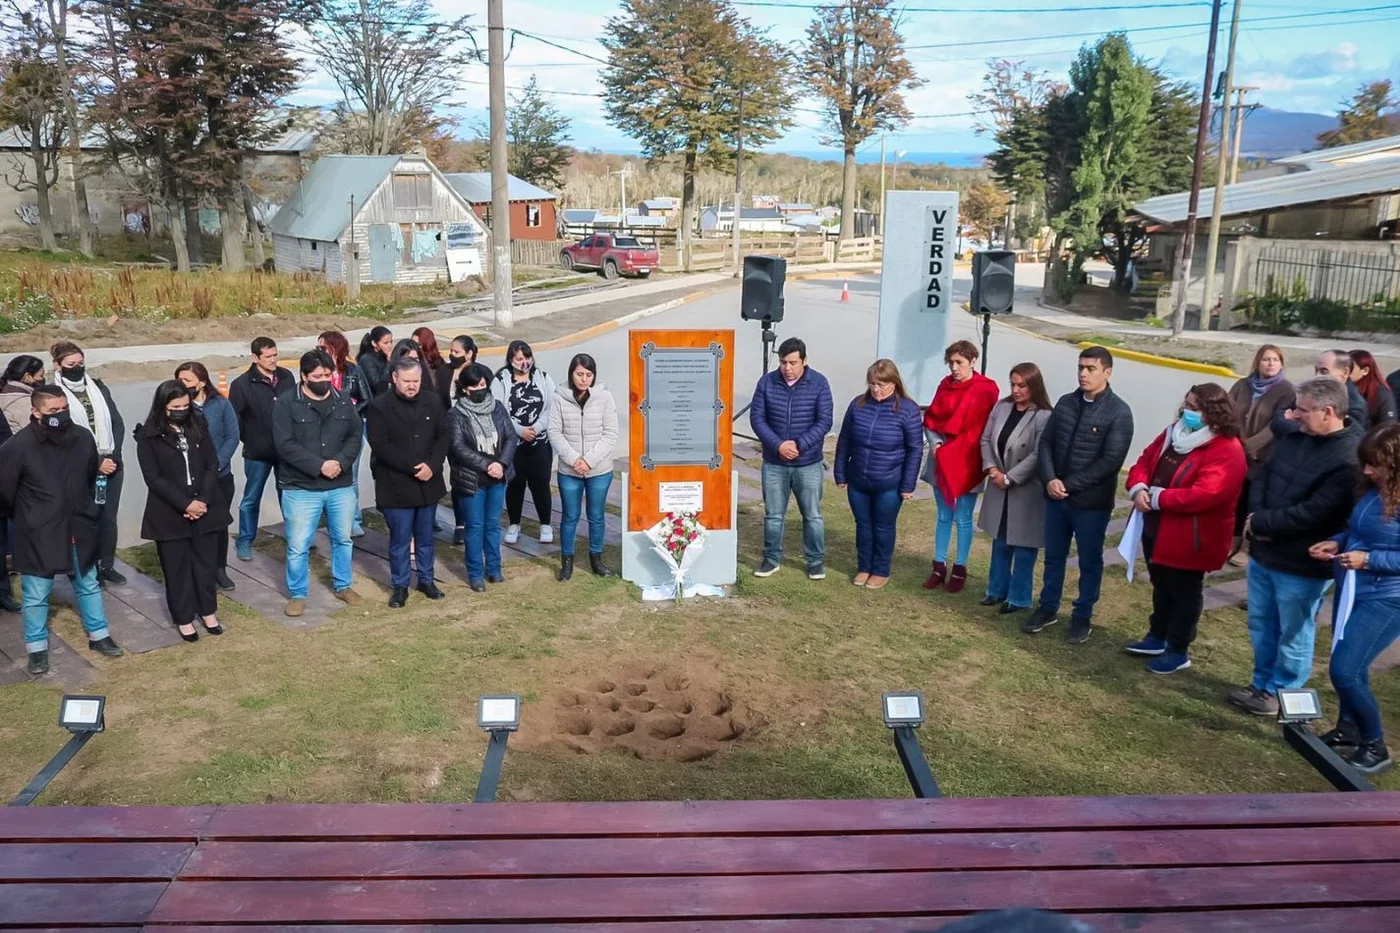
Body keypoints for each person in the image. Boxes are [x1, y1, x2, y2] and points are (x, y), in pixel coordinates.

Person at [1231, 377, 1360, 716]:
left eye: (1302, 410)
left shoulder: (1349, 457)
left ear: (1328, 411)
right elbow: (1263, 477)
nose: (1293, 415)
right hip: (1265, 552)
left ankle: (1283, 692)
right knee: (1262, 623)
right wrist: (1256, 517)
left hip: (1302, 563)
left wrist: (1262, 524)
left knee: (1294, 632)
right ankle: (1260, 685)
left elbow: (1318, 512)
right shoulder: (1294, 435)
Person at [0, 385, 124, 674]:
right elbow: (5, 492)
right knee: (36, 594)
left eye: (63, 408)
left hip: (79, 524)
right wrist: (31, 516)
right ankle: (37, 649)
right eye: (52, 411)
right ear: (35, 412)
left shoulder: (82, 437)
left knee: (88, 584)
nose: (60, 415)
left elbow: (90, 473)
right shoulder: (18, 447)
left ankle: (99, 635)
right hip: (39, 532)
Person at [1123, 384, 1246, 674]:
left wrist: (1158, 498)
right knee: (1161, 584)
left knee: (1185, 591)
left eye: (1194, 408)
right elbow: (1144, 461)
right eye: (1186, 405)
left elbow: (1207, 493)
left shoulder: (1226, 449)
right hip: (1159, 526)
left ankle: (1178, 648)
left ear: (1212, 413)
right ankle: (1157, 635)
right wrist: (1138, 487)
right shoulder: (1173, 433)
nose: (1186, 412)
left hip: (1192, 535)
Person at [1311, 422, 1400, 775]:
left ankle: (1375, 745)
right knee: (1351, 665)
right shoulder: (1377, 490)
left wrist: (1370, 560)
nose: (1366, 470)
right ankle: (1348, 729)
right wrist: (1339, 541)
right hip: (1354, 589)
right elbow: (1360, 530)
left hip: (1387, 597)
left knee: (1345, 670)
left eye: (1374, 464)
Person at [1030, 346, 1134, 644]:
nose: (1083, 374)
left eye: (1090, 369)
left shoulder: (1119, 411)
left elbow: (1110, 461)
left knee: (1089, 560)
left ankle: (1082, 614)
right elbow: (1046, 443)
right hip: (1056, 498)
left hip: (1091, 504)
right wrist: (1050, 479)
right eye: (1081, 367)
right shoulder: (1066, 403)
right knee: (1054, 556)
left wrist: (1069, 485)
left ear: (1107, 372)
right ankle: (1047, 607)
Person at [135, 380, 231, 641]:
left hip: (205, 506)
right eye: (175, 407)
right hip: (170, 511)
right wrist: (185, 504)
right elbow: (153, 478)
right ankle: (184, 618)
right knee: (177, 568)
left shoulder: (198, 425)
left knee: (205, 565)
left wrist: (203, 500)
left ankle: (208, 611)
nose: (181, 410)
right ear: (163, 406)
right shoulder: (148, 435)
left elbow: (212, 464)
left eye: (185, 406)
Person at [272, 349, 364, 617]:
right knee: (299, 544)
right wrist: (319, 466)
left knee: (343, 539)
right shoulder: (286, 403)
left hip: (340, 485)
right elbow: (284, 444)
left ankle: (343, 585)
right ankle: (298, 594)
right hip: (301, 487)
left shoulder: (343, 401)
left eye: (328, 374)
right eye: (317, 376)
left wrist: (340, 463)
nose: (324, 379)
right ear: (304, 376)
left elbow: (355, 435)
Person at [367, 357, 450, 608]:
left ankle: (426, 579)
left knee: (425, 537)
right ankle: (400, 585)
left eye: (416, 381)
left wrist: (432, 465)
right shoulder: (379, 407)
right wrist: (414, 468)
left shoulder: (432, 401)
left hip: (428, 482)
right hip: (396, 485)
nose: (412, 386)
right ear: (394, 378)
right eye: (407, 381)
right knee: (400, 540)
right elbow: (381, 445)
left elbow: (444, 435)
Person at [833, 359, 923, 589]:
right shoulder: (858, 405)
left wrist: (907, 485)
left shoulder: (908, 410)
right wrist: (840, 472)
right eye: (873, 384)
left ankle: (881, 570)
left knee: (883, 526)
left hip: (889, 483)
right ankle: (864, 567)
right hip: (858, 480)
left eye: (882, 384)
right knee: (863, 525)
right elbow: (844, 441)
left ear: (894, 383)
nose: (876, 389)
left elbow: (915, 449)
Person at [750, 337, 834, 580]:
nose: (787, 368)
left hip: (808, 463)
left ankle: (815, 561)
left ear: (804, 361)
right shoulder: (767, 383)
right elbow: (758, 419)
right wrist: (778, 445)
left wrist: (799, 445)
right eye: (783, 362)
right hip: (775, 463)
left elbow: (824, 421)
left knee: (812, 515)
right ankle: (771, 559)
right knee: (774, 515)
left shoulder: (819, 383)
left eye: (793, 363)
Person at [921, 340, 1000, 594]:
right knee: (943, 516)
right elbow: (931, 419)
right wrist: (935, 443)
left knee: (963, 518)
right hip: (941, 457)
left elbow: (982, 430)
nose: (955, 368)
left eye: (960, 363)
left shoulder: (985, 389)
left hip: (967, 460)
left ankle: (960, 568)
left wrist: (952, 450)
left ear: (973, 361)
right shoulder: (944, 386)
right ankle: (938, 566)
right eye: (951, 363)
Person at [977, 363, 1054, 615]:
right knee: (1000, 543)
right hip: (999, 483)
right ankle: (995, 590)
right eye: (1013, 384)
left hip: (1025, 489)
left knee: (1023, 546)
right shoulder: (1001, 407)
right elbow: (986, 439)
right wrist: (992, 469)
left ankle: (1019, 597)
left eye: (1022, 385)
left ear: (1034, 386)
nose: (1016, 390)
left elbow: (1037, 453)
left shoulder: (1043, 415)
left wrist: (1011, 478)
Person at [51, 341, 126, 586]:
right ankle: (87, 566)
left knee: (108, 518)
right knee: (84, 518)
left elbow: (116, 422)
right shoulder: (53, 393)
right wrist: (96, 463)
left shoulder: (98, 387)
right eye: (71, 364)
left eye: (81, 363)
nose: (77, 368)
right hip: (79, 468)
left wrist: (113, 455)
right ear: (57, 365)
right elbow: (62, 436)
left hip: (111, 462)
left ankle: (107, 564)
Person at [548, 353, 619, 581]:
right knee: (570, 515)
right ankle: (566, 561)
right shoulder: (559, 398)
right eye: (580, 374)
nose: (584, 379)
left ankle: (596, 559)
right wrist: (574, 459)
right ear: (571, 374)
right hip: (570, 471)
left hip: (598, 470)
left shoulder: (605, 397)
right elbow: (554, 432)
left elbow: (610, 433)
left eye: (589, 375)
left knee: (596, 515)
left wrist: (588, 460)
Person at [449, 363, 517, 592]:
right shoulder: (456, 414)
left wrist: (502, 464)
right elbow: (458, 448)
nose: (481, 389)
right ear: (465, 389)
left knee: (493, 525)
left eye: (483, 384)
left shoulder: (497, 407)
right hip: (472, 480)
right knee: (475, 527)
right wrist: (488, 465)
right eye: (475, 386)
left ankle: (495, 569)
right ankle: (475, 573)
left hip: (498, 478)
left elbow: (510, 437)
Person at [228, 337, 295, 560]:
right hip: (257, 453)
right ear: (255, 357)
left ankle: (295, 536)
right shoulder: (241, 385)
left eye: (275, 355)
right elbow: (234, 420)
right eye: (268, 356)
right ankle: (246, 540)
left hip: (285, 451)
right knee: (251, 497)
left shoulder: (286, 377)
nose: (273, 360)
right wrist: (250, 438)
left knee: (288, 495)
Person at [175, 362, 240, 590]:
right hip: (190, 479)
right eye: (179, 380)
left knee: (218, 525)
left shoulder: (220, 404)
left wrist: (217, 464)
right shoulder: (178, 407)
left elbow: (233, 436)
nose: (182, 385)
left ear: (201, 382)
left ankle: (219, 569)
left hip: (220, 478)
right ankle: (195, 568)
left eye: (187, 381)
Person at [1227, 345, 1293, 566]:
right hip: (1236, 453)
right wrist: (1234, 443)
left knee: (1254, 502)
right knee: (1236, 499)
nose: (1271, 363)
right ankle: (1231, 541)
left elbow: (1276, 426)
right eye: (1266, 359)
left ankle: (1247, 546)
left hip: (1265, 457)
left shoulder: (1286, 391)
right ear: (1257, 362)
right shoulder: (1242, 385)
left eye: (1275, 359)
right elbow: (1228, 413)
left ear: (1282, 364)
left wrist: (1248, 446)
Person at [493, 340, 558, 547]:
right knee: (515, 484)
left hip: (540, 442)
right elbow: (499, 410)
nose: (524, 362)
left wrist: (536, 428)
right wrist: (520, 431)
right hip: (513, 444)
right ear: (510, 360)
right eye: (519, 359)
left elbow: (551, 407)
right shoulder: (501, 380)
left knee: (541, 484)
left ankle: (545, 524)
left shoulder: (543, 377)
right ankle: (514, 524)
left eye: (527, 357)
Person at [318, 331, 373, 537]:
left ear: (335, 349)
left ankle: (353, 520)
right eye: (318, 348)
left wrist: (348, 415)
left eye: (323, 348)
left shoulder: (353, 371)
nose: (319, 351)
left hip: (350, 433)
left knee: (350, 478)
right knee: (328, 477)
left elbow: (366, 399)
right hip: (324, 434)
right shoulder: (317, 370)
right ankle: (334, 520)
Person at [1274, 349, 1368, 435]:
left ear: (1345, 373)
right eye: (1316, 370)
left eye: (1324, 371)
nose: (1317, 375)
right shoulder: (1309, 392)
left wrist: (1300, 425)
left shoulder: (1355, 405)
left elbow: (1347, 436)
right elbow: (1277, 421)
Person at [0, 355, 45, 435]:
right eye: (41, 376)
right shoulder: (24, 402)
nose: (43, 379)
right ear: (27, 377)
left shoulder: (6, 392)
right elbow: (40, 432)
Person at [1350, 349, 1396, 426]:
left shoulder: (1381, 393)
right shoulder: (1341, 388)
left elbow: (1388, 426)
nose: (1345, 372)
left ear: (1365, 370)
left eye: (1351, 368)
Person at [438, 334, 478, 409]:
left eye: (456, 352)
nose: (452, 354)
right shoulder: (443, 370)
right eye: (451, 351)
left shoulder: (480, 372)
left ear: (469, 354)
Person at [357, 326, 394, 397]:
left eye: (391, 342)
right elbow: (378, 386)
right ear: (374, 343)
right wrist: (389, 363)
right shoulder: (366, 360)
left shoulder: (384, 356)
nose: (390, 346)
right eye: (386, 343)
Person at [411, 326, 443, 395]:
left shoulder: (439, 364)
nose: (414, 347)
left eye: (418, 345)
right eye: (412, 343)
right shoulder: (411, 360)